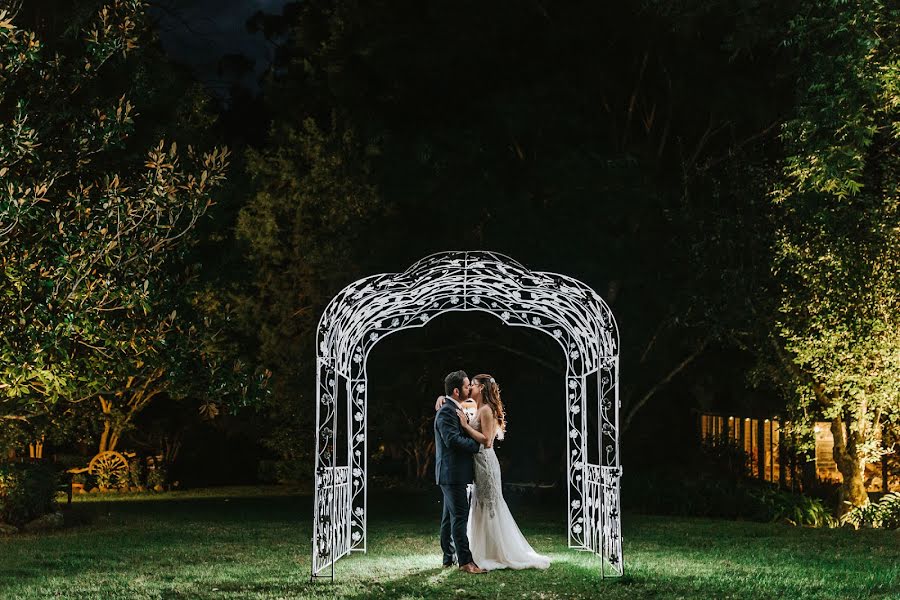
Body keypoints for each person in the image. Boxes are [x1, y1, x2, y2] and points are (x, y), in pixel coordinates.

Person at [440, 374, 551, 571]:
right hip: (476, 464)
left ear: (481, 388)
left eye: (472, 385)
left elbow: (488, 441)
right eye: (467, 386)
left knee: (490, 506)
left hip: (485, 463)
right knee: (479, 506)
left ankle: (498, 551)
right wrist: (441, 398)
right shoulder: (474, 408)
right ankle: (480, 551)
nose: (469, 389)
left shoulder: (487, 410)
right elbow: (452, 401)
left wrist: (465, 426)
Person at [433, 370, 486, 574]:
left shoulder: (453, 407)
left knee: (449, 518)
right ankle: (465, 562)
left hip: (451, 473)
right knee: (460, 517)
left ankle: (448, 557)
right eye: (466, 386)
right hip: (452, 473)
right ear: (456, 391)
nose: (469, 389)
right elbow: (452, 440)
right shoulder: (447, 411)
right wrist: (475, 444)